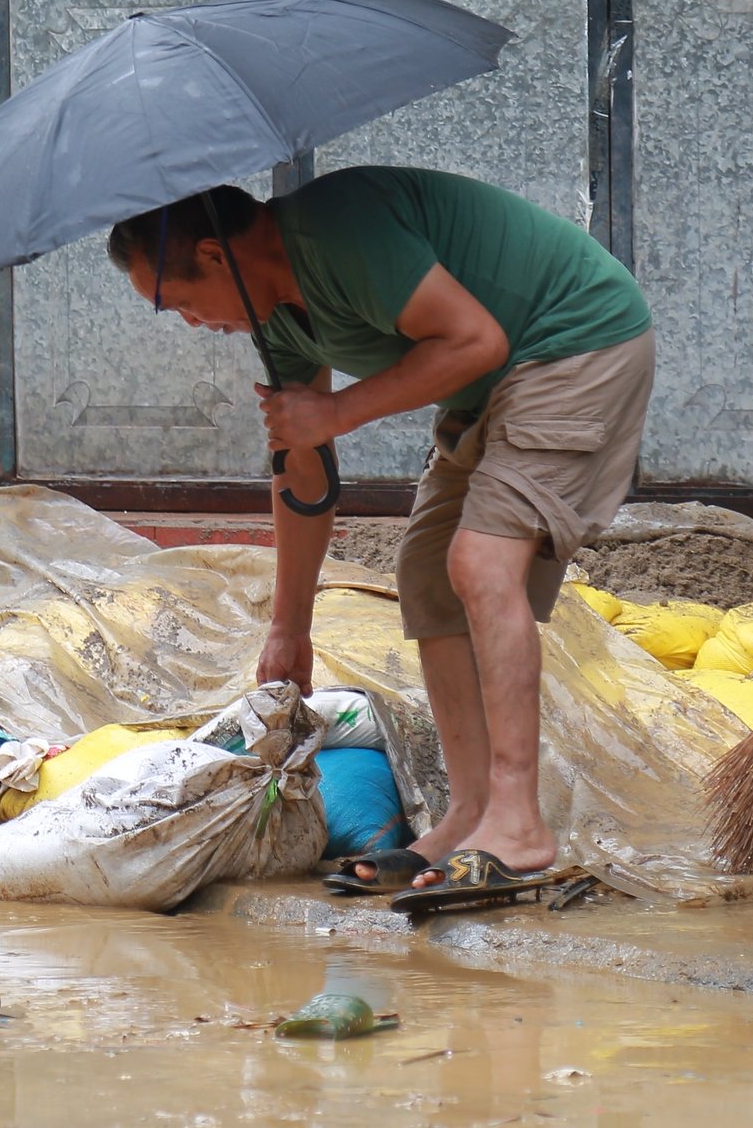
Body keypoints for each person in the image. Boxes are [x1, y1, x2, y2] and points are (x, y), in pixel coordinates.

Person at [106, 166, 653, 898]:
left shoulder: (339, 231)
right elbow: (304, 473)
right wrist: (289, 629)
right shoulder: (278, 319)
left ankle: (519, 824)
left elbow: (476, 338)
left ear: (213, 256)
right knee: (428, 574)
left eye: (178, 305)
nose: (193, 325)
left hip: (573, 341)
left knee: (483, 561)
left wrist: (333, 413)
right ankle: (470, 814)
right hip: (494, 384)